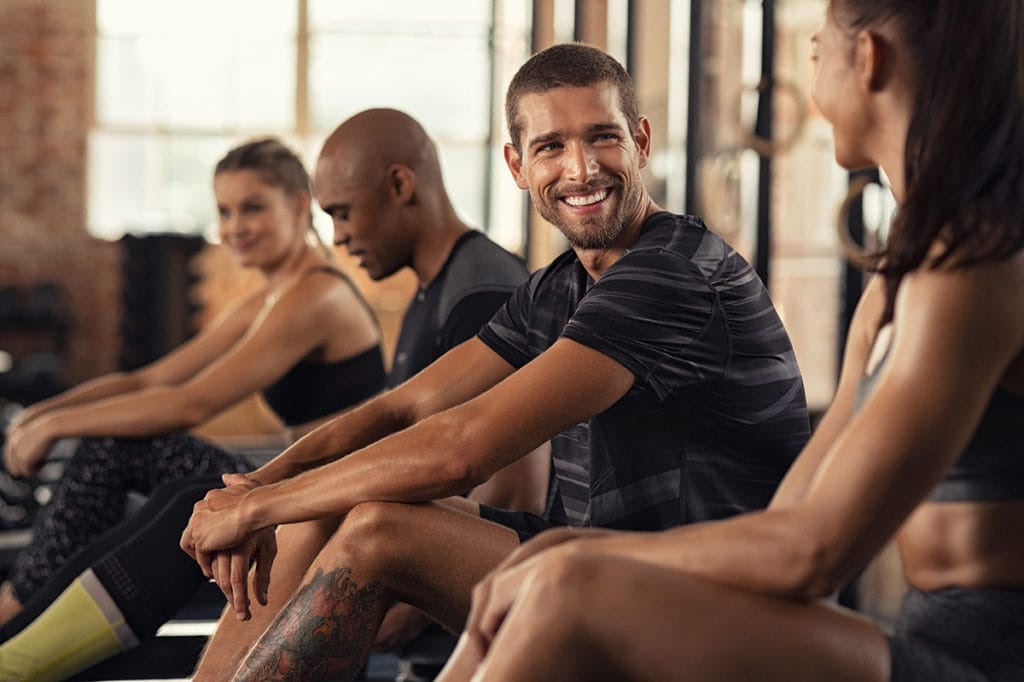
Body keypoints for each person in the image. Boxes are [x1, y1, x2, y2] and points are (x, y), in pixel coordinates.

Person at [181, 43, 810, 681]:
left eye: (602, 138)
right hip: (601, 565)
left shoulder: (670, 273)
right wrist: (258, 489)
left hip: (707, 606)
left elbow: (462, 450)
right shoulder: (559, 286)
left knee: (377, 530)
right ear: (516, 165)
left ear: (641, 141)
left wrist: (261, 509)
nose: (582, 169)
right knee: (331, 506)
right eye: (550, 148)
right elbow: (403, 407)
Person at [439, 3, 1024, 681]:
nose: (810, 76)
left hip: (978, 662)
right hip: (917, 635)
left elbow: (814, 553)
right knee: (554, 584)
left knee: (567, 588)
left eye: (815, 50)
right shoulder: (902, 274)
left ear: (868, 59)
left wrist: (577, 557)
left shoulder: (972, 268)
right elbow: (793, 516)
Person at [0, 112, 548, 682]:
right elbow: (392, 410)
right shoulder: (433, 288)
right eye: (226, 211)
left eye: (340, 213)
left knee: (202, 490)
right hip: (352, 490)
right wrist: (257, 491)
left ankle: (14, 654)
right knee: (203, 493)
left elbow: (507, 483)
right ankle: (19, 642)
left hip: (416, 525)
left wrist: (407, 599)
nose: (337, 235)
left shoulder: (472, 290)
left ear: (398, 186)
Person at [0, 138, 389, 681]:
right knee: (116, 449)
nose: (234, 227)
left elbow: (193, 403)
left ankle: (13, 625)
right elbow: (151, 377)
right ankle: (18, 612)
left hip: (319, 499)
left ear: (299, 206)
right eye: (225, 211)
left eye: (253, 207)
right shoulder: (271, 294)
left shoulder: (317, 296)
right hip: (287, 479)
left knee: (125, 451)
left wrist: (54, 427)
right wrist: (40, 415)